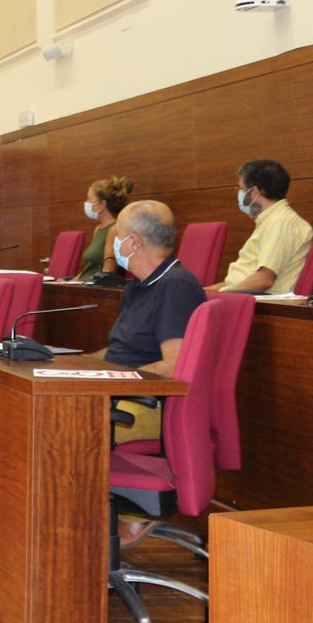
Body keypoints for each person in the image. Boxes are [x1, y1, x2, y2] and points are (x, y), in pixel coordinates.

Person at [78, 200, 207, 545]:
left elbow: (175, 365)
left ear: (133, 242)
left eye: (117, 235)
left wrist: (112, 380)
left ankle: (86, 542)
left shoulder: (174, 286)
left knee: (63, 429)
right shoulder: (138, 285)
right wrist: (78, 366)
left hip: (147, 407)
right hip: (122, 394)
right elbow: (119, 351)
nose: (112, 243)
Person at [207, 159, 312, 294]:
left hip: (259, 304)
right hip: (243, 296)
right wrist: (216, 290)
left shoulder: (281, 223)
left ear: (254, 192)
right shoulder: (271, 220)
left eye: (242, 189)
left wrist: (224, 296)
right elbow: (246, 275)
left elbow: (264, 279)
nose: (240, 194)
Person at [77, 175, 134, 280]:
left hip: (96, 290)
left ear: (101, 205)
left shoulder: (114, 230)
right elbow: (88, 270)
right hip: (84, 285)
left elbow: (108, 273)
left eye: (90, 199)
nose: (86, 203)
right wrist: (68, 282)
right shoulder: (98, 229)